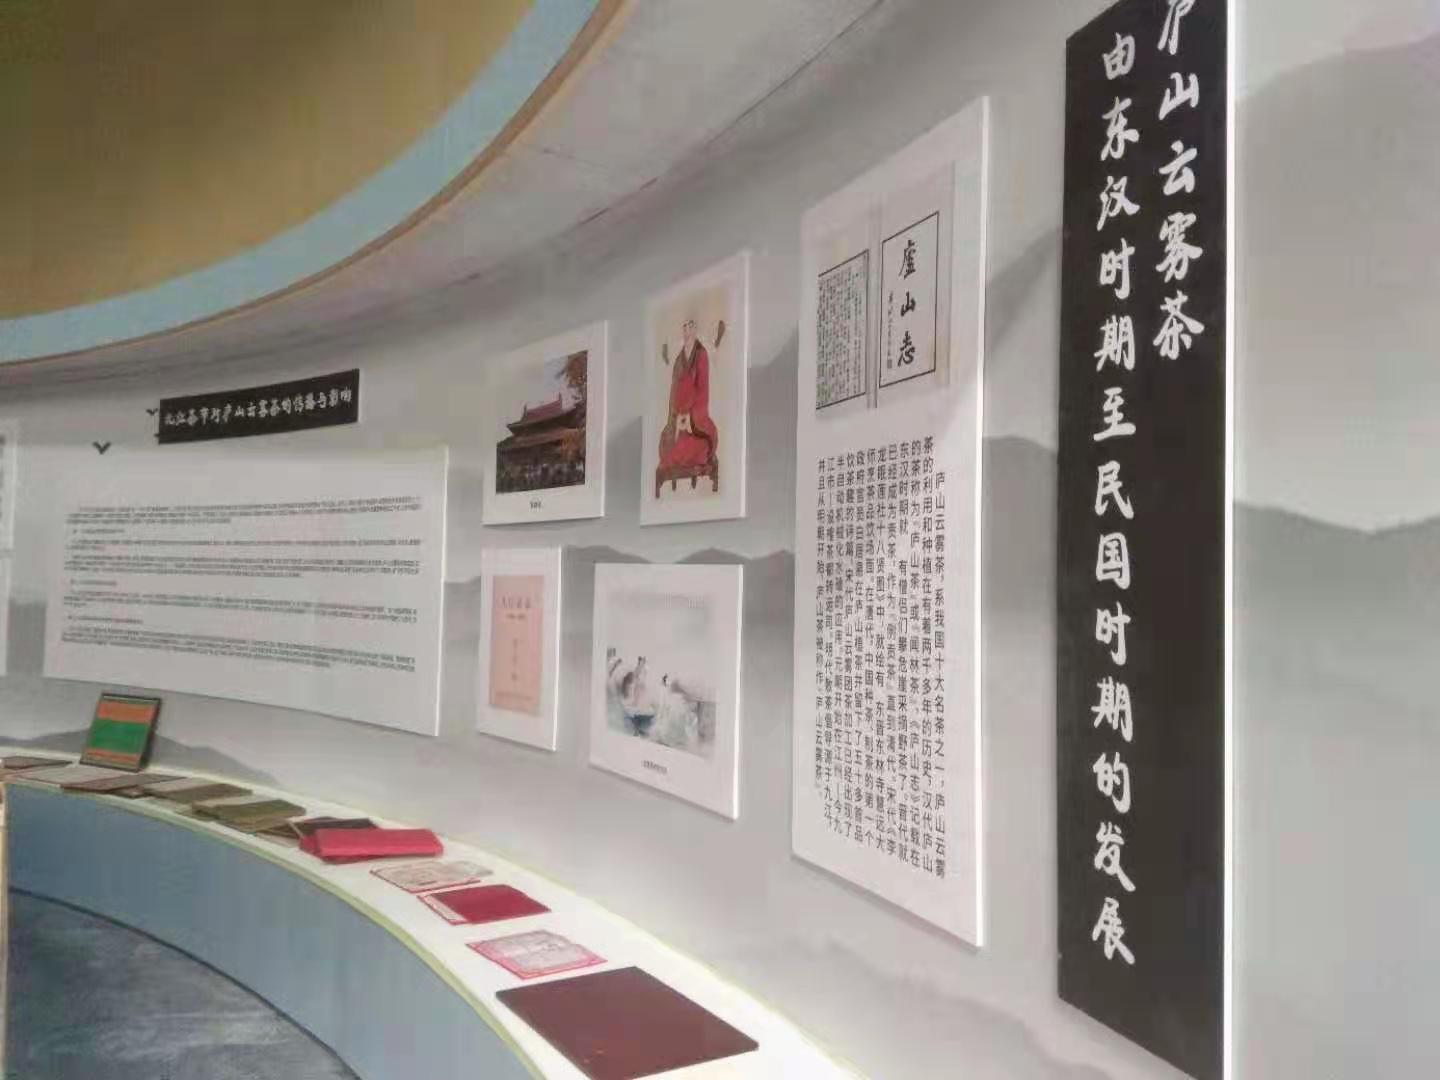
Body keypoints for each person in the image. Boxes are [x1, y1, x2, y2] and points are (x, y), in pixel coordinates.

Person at [657, 319, 719, 474]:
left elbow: (703, 390)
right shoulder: (679, 360)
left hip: (696, 423)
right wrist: (676, 419)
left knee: (700, 447)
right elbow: (673, 393)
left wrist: (690, 418)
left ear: (695, 330)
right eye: (684, 328)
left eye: (690, 327)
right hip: (678, 419)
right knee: (665, 443)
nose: (686, 332)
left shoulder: (701, 354)